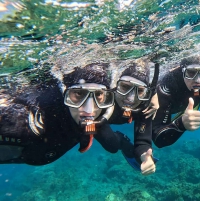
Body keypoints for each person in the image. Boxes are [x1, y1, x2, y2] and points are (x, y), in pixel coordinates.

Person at [0, 62, 137, 166]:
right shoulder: (28, 121)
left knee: (112, 145)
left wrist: (142, 146)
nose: (89, 110)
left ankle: (123, 141)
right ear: (65, 95)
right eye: (78, 94)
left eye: (99, 95)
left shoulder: (106, 111)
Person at [105, 59, 159, 175]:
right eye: (124, 87)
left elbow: (142, 141)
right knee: (111, 145)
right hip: (100, 122)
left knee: (113, 145)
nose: (130, 99)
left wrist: (145, 157)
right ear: (115, 84)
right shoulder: (102, 95)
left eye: (139, 91)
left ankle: (122, 142)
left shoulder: (146, 104)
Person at [152, 54, 200, 148]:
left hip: (188, 105)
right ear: (182, 71)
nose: (198, 80)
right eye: (191, 72)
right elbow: (159, 139)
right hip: (170, 107)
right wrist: (181, 124)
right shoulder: (167, 86)